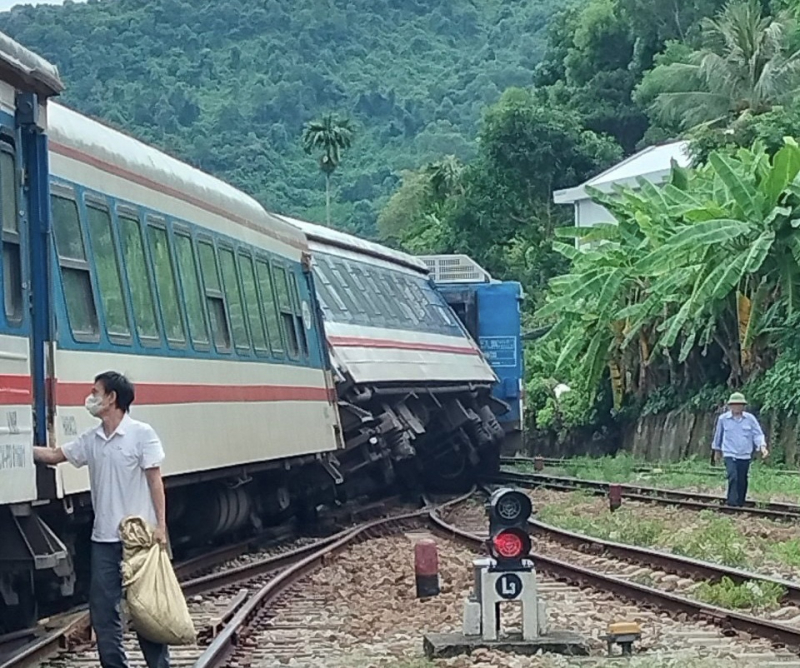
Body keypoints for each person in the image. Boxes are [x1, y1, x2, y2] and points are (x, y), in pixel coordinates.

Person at [32, 371, 170, 668]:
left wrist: (161, 527)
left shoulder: (141, 434)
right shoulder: (92, 439)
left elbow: (155, 481)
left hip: (139, 541)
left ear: (112, 398)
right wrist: (16, 449)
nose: (91, 397)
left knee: (148, 611)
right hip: (103, 540)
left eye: (96, 392)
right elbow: (56, 455)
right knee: (104, 613)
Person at [711, 392, 768, 507]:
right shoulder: (723, 419)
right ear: (730, 406)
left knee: (742, 479)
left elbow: (757, 434)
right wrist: (717, 451)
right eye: (734, 404)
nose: (737, 407)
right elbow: (718, 435)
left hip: (744, 454)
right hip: (729, 453)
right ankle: (732, 503)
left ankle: (740, 502)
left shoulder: (750, 419)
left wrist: (762, 447)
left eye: (740, 405)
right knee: (733, 476)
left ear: (743, 406)